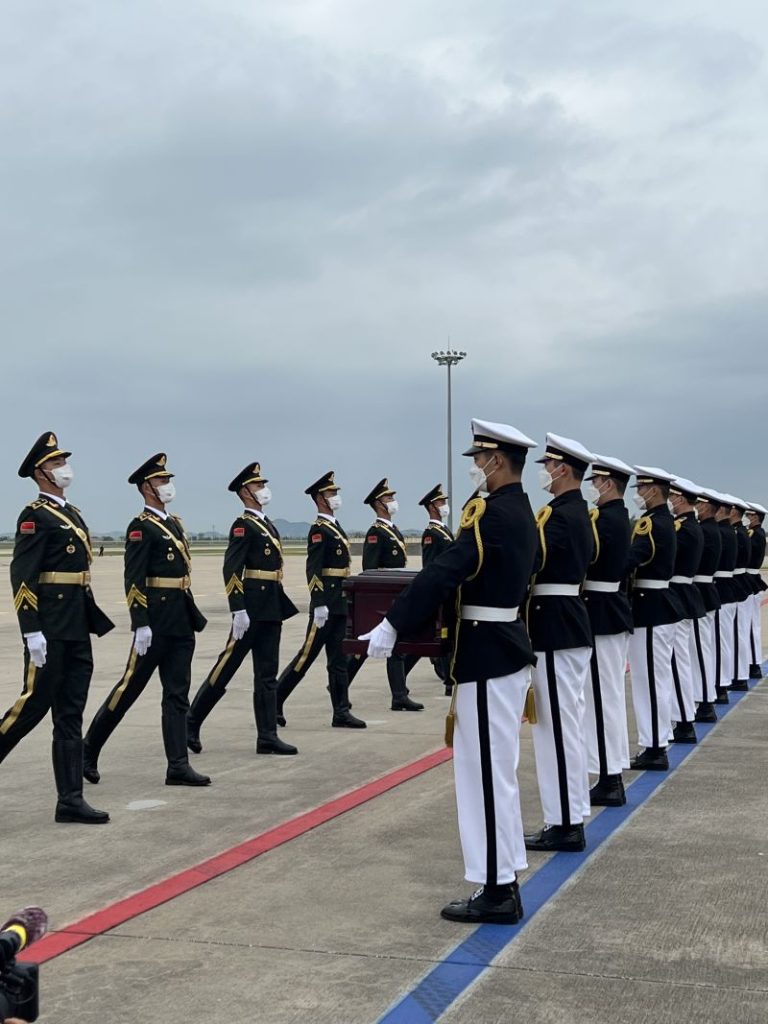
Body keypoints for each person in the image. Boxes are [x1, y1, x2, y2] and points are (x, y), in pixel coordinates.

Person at [359, 419, 538, 924]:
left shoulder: (494, 515)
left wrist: (393, 622)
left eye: (481, 460)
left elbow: (445, 569)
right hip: (503, 651)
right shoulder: (523, 513)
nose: (477, 469)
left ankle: (498, 889)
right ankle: (501, 881)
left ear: (498, 460)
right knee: (494, 774)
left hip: (487, 656)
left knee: (484, 777)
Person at [0, 432, 113, 824]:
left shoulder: (70, 511)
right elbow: (23, 575)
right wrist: (31, 630)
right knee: (31, 706)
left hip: (77, 625)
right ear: (41, 472)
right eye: (57, 462)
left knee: (70, 713)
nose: (64, 467)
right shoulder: (34, 515)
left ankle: (69, 799)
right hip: (49, 627)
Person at [83, 454, 210, 787]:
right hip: (155, 620)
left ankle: (177, 765)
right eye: (162, 481)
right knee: (129, 688)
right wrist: (140, 621)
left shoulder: (174, 523)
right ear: (147, 487)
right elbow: (134, 578)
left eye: (168, 480)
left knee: (177, 693)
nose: (168, 486)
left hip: (181, 617)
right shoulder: (141, 526)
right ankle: (87, 749)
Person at [186, 463, 299, 756]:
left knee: (267, 674)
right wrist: (237, 609)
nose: (264, 490)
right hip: (251, 607)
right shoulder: (243, 526)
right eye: (258, 486)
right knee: (227, 667)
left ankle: (267, 736)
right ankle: (191, 721)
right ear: (245, 492)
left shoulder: (266, 523)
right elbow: (232, 569)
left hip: (271, 605)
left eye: (263, 485)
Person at [524, 433, 595, 852]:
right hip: (569, 624)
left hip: (555, 627)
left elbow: (533, 565)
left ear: (563, 469)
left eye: (549, 466)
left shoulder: (555, 516)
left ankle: (565, 822)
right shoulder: (580, 513)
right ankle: (570, 816)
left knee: (557, 730)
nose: (546, 473)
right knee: (567, 725)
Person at [275, 472, 366, 729]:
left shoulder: (334, 527)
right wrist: (319, 602)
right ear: (320, 499)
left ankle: (341, 711)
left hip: (339, 603)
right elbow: (313, 568)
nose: (336, 497)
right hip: (326, 604)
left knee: (338, 661)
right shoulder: (319, 530)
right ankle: (274, 702)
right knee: (305, 658)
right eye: (331, 493)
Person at [581, 455, 634, 807]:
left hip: (601, 612)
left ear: (609, 484)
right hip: (611, 610)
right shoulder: (622, 518)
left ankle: (610, 778)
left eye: (597, 482)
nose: (594, 488)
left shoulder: (603, 519)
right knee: (608, 696)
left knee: (601, 700)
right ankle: (610, 772)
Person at [346, 479, 424, 711]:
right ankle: (342, 684)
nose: (393, 502)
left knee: (395, 646)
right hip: (381, 598)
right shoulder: (375, 533)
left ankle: (399, 695)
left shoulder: (393, 531)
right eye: (389, 498)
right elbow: (370, 569)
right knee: (369, 646)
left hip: (394, 594)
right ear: (378, 504)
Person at [625, 467, 684, 771]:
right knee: (656, 680)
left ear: (652, 491)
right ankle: (658, 741)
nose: (638, 494)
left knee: (649, 682)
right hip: (660, 606)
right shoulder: (667, 522)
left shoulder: (651, 524)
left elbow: (631, 560)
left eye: (641, 488)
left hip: (651, 609)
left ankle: (655, 746)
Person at [401, 484, 455, 696]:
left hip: (449, 591)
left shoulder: (444, 531)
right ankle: (448, 682)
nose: (445, 506)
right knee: (428, 640)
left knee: (440, 639)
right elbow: (431, 566)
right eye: (441, 502)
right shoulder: (431, 534)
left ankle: (449, 680)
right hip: (440, 593)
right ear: (432, 507)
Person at [667, 477, 706, 743]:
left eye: (672, 496)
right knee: (681, 659)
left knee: (678, 661)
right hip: (683, 594)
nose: (669, 501)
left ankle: (683, 719)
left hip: (676, 595)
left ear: (681, 499)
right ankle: (683, 715)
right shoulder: (691, 527)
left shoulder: (683, 529)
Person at [691, 489, 723, 723]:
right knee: (703, 649)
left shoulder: (706, 530)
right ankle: (705, 696)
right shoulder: (713, 530)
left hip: (700, 590)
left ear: (705, 507)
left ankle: (705, 701)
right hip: (704, 590)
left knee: (700, 651)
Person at [712, 493, 738, 704]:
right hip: (726, 587)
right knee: (724, 641)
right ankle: (724, 680)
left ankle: (721, 684)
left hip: (720, 587)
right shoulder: (733, 532)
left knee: (720, 643)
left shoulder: (722, 532)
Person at [729, 496, 753, 691]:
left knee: (737, 635)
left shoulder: (737, 533)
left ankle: (739, 674)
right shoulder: (742, 532)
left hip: (733, 583)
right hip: (738, 583)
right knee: (738, 634)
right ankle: (740, 673)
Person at [746, 502, 767, 678]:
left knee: (751, 626)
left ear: (755, 517)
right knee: (752, 625)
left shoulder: (754, 534)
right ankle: (753, 662)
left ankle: (754, 664)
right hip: (752, 580)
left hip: (750, 580)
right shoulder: (757, 534)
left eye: (749, 515)